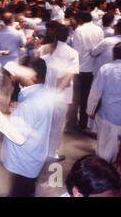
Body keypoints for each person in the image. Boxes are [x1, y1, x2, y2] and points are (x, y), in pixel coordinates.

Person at [0, 57, 56, 197]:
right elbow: (35, 118)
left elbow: (17, 136)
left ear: (33, 76)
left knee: (21, 190)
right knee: (26, 188)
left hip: (25, 159)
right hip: (34, 154)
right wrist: (18, 110)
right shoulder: (42, 92)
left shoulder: (32, 103)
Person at [87, 42, 121, 163]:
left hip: (108, 114)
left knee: (104, 145)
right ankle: (120, 163)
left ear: (115, 54)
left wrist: (90, 110)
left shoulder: (106, 69)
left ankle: (103, 164)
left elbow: (95, 92)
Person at [40, 23, 79, 162]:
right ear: (68, 37)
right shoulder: (72, 53)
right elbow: (68, 77)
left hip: (43, 92)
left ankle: (40, 150)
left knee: (43, 124)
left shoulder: (44, 49)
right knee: (57, 126)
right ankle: (51, 153)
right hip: (60, 96)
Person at [70, 11, 104, 130]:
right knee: (89, 96)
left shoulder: (79, 31)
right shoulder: (99, 29)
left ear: (80, 19)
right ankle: (86, 123)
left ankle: (75, 121)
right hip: (94, 67)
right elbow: (100, 48)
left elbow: (76, 52)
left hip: (81, 67)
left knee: (77, 97)